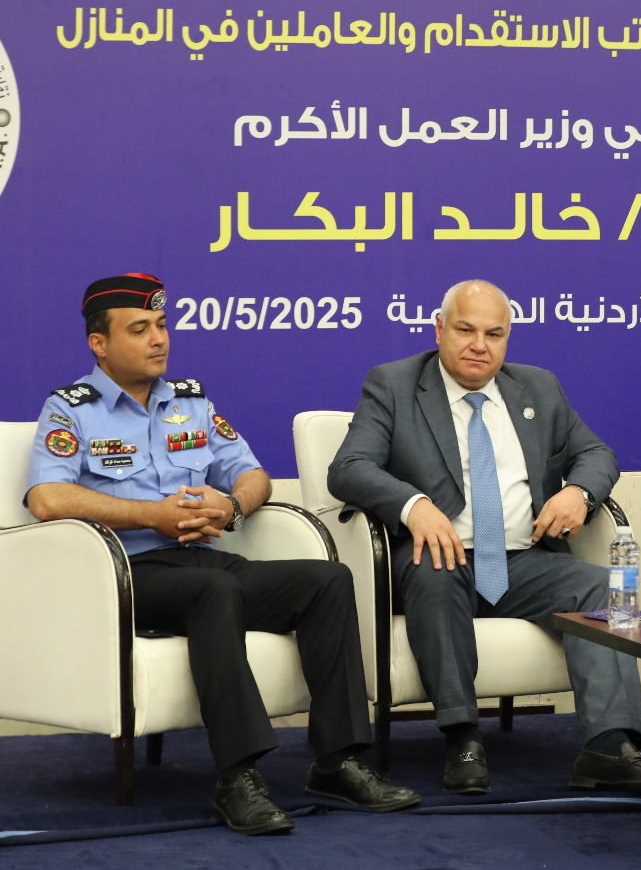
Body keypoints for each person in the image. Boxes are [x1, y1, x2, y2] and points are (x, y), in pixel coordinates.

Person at [24, 273, 421, 835]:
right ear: (100, 344)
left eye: (162, 325)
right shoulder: (72, 410)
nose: (159, 339)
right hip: (126, 575)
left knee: (327, 580)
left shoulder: (190, 402)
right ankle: (238, 778)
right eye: (139, 329)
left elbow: (253, 475)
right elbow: (47, 498)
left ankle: (337, 763)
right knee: (215, 589)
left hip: (205, 563)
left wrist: (231, 507)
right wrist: (150, 515)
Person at [327, 279, 641, 796]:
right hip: (439, 556)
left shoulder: (538, 388)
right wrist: (414, 506)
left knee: (600, 586)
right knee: (435, 569)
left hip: (524, 562)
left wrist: (580, 493)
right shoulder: (394, 384)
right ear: (439, 329)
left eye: (494, 334)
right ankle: (463, 738)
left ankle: (609, 748)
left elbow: (596, 453)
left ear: (507, 339)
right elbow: (349, 467)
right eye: (466, 330)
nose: (480, 345)